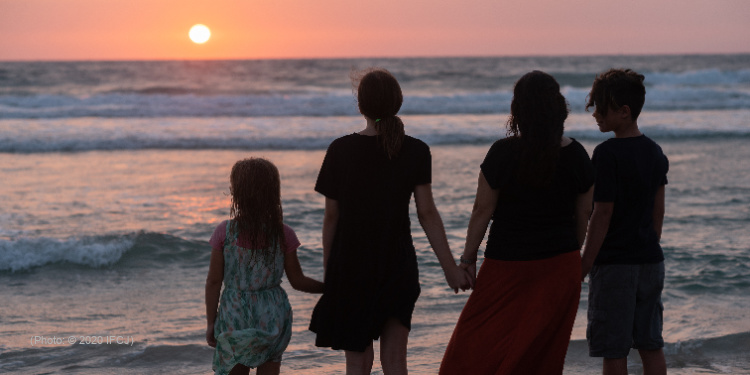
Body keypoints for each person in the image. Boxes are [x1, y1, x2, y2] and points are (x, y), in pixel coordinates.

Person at [308, 68, 472, 375]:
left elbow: (332, 217)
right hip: (398, 265)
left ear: (360, 105)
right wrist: (451, 268)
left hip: (351, 268)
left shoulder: (340, 150)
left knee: (357, 363)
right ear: (398, 102)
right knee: (395, 360)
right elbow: (427, 213)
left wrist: (331, 271)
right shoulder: (416, 150)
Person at [440, 71, 594, 374]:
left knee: (469, 355)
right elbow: (583, 218)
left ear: (518, 110)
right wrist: (566, 256)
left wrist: (467, 259)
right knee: (541, 359)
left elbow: (481, 211)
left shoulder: (502, 153)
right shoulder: (577, 156)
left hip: (507, 267)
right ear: (558, 107)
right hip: (560, 266)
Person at [580, 69, 669, 375]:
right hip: (650, 261)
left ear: (623, 111)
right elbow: (658, 212)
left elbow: (601, 214)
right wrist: (647, 242)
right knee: (650, 343)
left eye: (600, 108)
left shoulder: (607, 155)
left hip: (615, 265)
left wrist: (584, 264)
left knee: (614, 348)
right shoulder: (655, 152)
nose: (595, 115)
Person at [205, 158, 324, 375]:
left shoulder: (225, 232)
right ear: (273, 194)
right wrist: (329, 287)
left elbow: (214, 281)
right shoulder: (283, 234)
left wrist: (210, 322)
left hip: (235, 315)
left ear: (237, 194)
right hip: (272, 315)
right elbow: (298, 281)